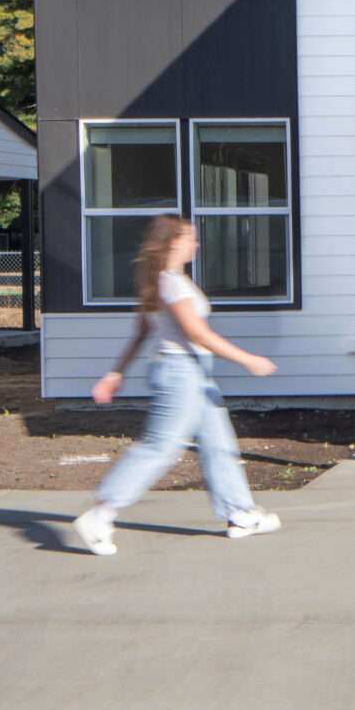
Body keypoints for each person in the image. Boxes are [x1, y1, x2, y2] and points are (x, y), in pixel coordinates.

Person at [71, 214, 281, 556]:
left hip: (193, 373)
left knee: (218, 443)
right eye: (189, 238)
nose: (195, 244)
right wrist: (248, 360)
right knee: (161, 447)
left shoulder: (161, 283)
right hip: (182, 374)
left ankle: (240, 513)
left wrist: (115, 373)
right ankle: (100, 514)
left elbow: (142, 332)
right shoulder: (170, 284)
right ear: (171, 243)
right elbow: (196, 333)